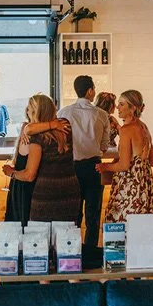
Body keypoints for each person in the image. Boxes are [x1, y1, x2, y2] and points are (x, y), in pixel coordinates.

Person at [2, 94, 80, 223]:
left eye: (29, 108)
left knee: (41, 239)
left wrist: (11, 173)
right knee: (67, 239)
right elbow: (28, 128)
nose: (26, 111)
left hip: (46, 194)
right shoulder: (64, 125)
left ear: (34, 111)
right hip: (70, 190)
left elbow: (29, 175)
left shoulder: (37, 137)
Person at [57, 76, 110, 246]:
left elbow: (59, 141)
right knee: (93, 216)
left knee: (73, 214)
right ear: (90, 91)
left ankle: (72, 253)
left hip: (71, 168)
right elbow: (104, 146)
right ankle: (90, 253)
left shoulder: (63, 113)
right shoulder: (102, 114)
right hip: (94, 167)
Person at [96, 90, 153, 222]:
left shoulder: (126, 130)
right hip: (145, 185)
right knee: (142, 227)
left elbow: (124, 165)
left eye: (122, 104)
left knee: (120, 228)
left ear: (132, 108)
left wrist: (104, 166)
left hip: (129, 187)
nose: (117, 107)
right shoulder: (144, 127)